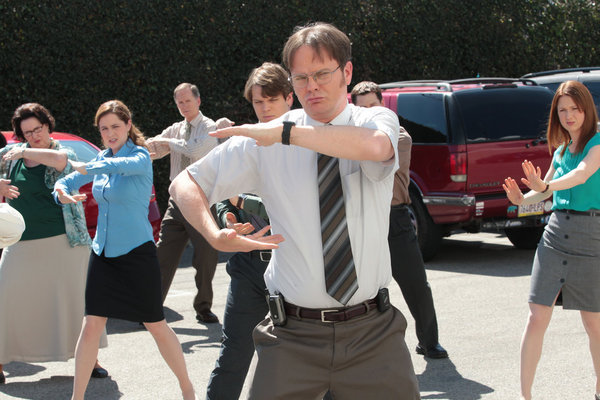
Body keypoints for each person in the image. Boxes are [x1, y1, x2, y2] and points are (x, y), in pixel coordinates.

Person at [170, 22, 420, 399]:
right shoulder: (266, 139)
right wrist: (213, 233)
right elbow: (184, 184)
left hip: (373, 335)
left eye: (322, 74)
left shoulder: (371, 121)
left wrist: (287, 133)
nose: (311, 86)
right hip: (292, 337)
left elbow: (376, 148)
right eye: (301, 77)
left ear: (347, 72)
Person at [54, 100, 197, 400]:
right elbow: (69, 179)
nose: (109, 133)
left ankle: (187, 389)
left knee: (155, 324)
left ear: (128, 125)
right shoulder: (102, 158)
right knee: (91, 324)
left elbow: (115, 165)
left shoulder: (140, 157)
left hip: (137, 254)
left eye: (115, 126)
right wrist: (62, 191)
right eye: (104, 128)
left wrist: (89, 165)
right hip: (103, 254)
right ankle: (76, 398)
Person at [502, 81, 600, 400]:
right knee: (536, 316)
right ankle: (526, 395)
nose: (569, 115)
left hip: (591, 239)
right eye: (563, 110)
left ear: (587, 110)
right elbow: (544, 194)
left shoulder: (597, 144)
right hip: (555, 235)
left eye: (575, 109)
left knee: (594, 324)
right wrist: (522, 199)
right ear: (556, 116)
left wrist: (545, 185)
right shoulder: (560, 150)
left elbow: (581, 175)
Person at [0, 103, 107, 385]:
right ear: (20, 134)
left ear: (48, 125)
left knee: (76, 303)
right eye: (26, 132)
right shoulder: (8, 157)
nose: (34, 135)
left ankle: (91, 360)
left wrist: (23, 150)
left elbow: (60, 161)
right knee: (5, 300)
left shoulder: (63, 151)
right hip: (20, 243)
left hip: (66, 242)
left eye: (38, 129)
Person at [206, 62, 293, 400]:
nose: (265, 108)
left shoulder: (305, 143)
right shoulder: (240, 145)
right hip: (247, 266)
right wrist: (228, 217)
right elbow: (218, 196)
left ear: (289, 98)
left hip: (292, 265)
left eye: (272, 99)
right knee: (235, 351)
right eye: (258, 102)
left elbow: (287, 206)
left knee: (302, 357)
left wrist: (240, 198)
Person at [351, 81, 448, 359]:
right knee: (361, 288)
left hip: (394, 218)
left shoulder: (400, 137)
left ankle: (429, 341)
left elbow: (372, 158)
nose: (369, 111)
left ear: (383, 105)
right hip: (362, 218)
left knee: (415, 283)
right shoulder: (350, 135)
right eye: (362, 107)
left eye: (373, 105)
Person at [146, 83, 221, 323]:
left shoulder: (210, 127)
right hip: (176, 201)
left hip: (202, 200)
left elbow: (196, 149)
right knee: (163, 254)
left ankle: (203, 307)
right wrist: (141, 149)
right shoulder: (175, 129)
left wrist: (168, 143)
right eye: (179, 102)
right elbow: (155, 149)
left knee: (206, 258)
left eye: (187, 101)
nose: (183, 106)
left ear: (198, 101)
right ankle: (152, 309)